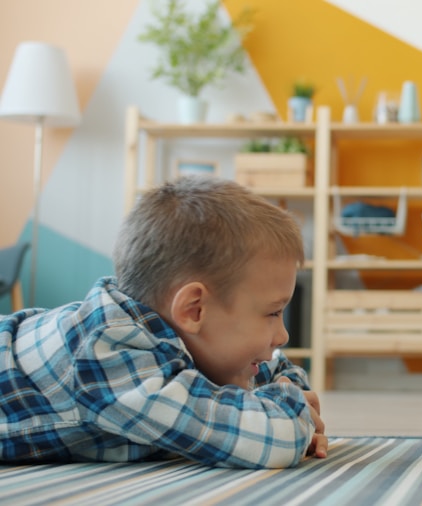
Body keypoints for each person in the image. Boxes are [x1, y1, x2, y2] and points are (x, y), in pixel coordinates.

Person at [0, 176, 327, 468]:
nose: (283, 336)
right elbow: (274, 440)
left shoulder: (186, 340)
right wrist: (291, 413)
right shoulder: (108, 352)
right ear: (194, 310)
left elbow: (281, 373)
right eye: (273, 313)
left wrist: (290, 399)